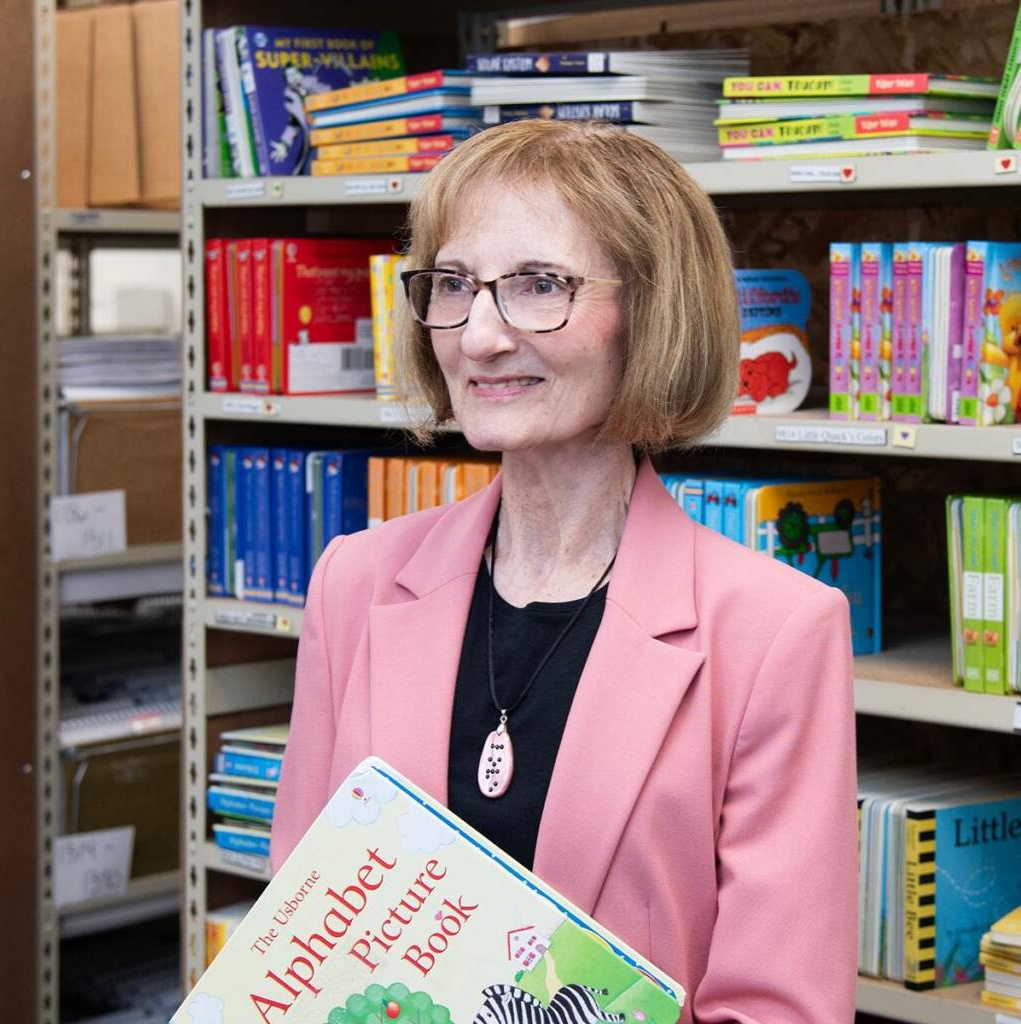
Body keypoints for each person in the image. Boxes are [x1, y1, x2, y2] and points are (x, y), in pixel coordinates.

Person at [271, 119, 857, 1024]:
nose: (481, 336)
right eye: (454, 286)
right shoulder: (356, 581)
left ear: (652, 312)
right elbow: (296, 951)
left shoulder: (775, 630)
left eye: (540, 286)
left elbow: (780, 1010)